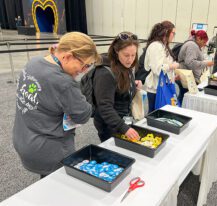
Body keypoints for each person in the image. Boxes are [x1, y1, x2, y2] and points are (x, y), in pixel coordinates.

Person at [13, 32, 99, 177]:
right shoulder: (64, 83)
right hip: (50, 151)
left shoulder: (33, 62)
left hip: (23, 139)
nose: (83, 71)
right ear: (68, 56)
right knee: (57, 190)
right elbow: (83, 115)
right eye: (84, 65)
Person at [93, 32, 142, 143]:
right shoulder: (105, 73)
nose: (130, 60)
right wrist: (124, 128)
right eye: (126, 55)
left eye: (133, 55)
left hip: (124, 121)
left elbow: (119, 86)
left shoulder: (125, 66)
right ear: (116, 51)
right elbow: (105, 107)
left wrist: (132, 84)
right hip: (110, 125)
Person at [144, 21, 179, 113]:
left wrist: (173, 76)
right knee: (156, 115)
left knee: (162, 115)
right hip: (156, 89)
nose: (173, 35)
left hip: (163, 86)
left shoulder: (163, 46)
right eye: (173, 33)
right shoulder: (156, 46)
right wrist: (172, 66)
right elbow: (158, 69)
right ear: (166, 32)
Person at [177, 29, 214, 104]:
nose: (204, 45)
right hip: (187, 77)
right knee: (185, 98)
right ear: (198, 38)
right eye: (203, 42)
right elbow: (190, 62)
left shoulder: (193, 44)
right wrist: (206, 64)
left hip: (187, 75)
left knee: (183, 96)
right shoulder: (192, 45)